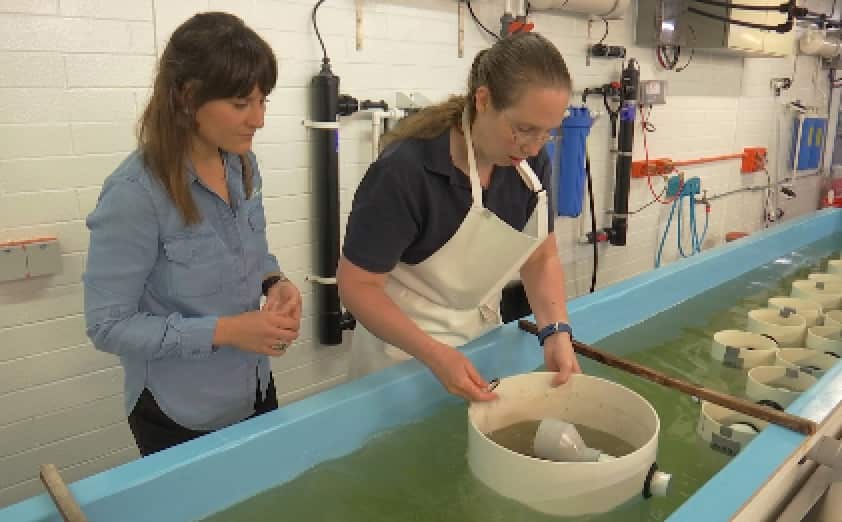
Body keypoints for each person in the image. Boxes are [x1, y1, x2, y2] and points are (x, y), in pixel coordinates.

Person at [83, 12, 301, 457]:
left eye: (264, 102)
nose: (258, 120)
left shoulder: (242, 164)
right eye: (242, 104)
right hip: (181, 412)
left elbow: (250, 250)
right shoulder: (135, 193)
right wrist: (226, 330)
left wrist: (275, 283)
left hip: (254, 387)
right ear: (187, 96)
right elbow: (107, 326)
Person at [337, 32, 581, 402]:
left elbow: (541, 257)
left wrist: (557, 332)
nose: (533, 146)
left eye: (547, 133)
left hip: (479, 341)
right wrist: (435, 354)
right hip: (401, 358)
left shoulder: (530, 165)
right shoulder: (405, 171)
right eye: (524, 129)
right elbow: (357, 286)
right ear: (483, 100)